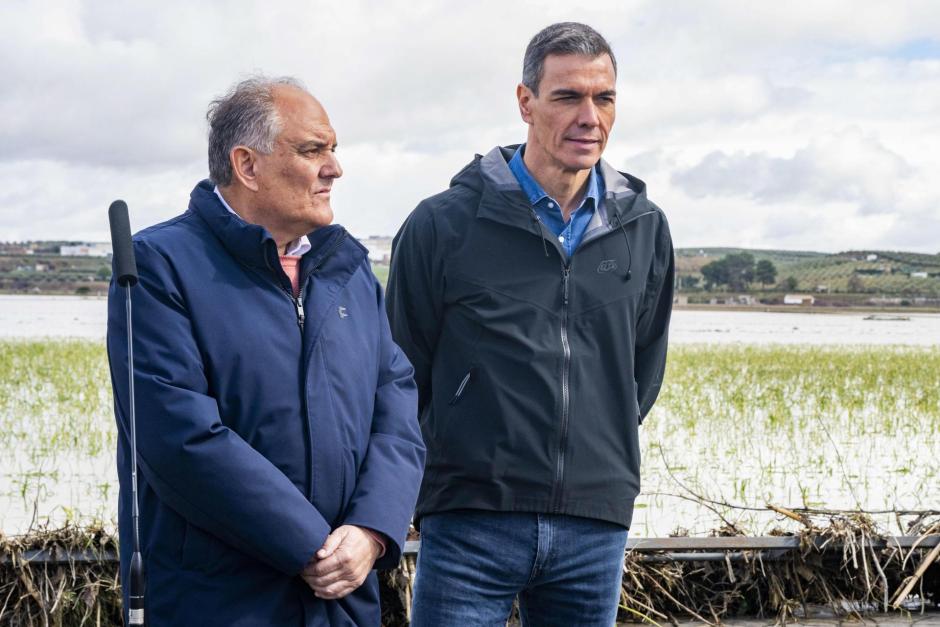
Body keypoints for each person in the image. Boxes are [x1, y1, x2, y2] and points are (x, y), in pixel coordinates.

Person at [107, 76, 425, 626]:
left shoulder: (349, 271)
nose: (335, 168)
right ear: (247, 165)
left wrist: (373, 531)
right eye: (312, 150)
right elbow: (180, 438)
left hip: (342, 603)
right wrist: (310, 547)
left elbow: (395, 407)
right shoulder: (158, 267)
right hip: (219, 601)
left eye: (333, 149)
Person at [386, 22, 674, 626]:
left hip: (594, 526)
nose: (589, 116)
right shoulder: (443, 225)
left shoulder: (644, 227)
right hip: (470, 518)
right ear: (526, 102)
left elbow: (640, 370)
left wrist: (599, 449)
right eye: (568, 96)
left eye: (605, 98)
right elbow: (400, 372)